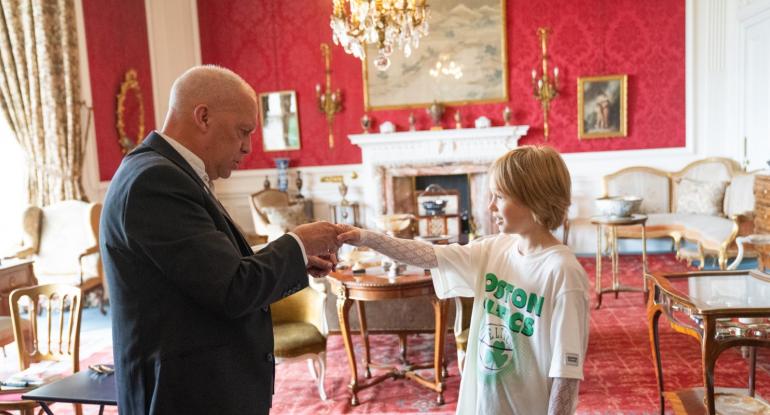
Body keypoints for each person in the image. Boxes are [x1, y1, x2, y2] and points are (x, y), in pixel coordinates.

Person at [100, 65, 342, 414]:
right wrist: (298, 241)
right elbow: (231, 288)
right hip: (184, 395)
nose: (248, 147)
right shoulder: (155, 181)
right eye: (243, 131)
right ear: (203, 117)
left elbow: (206, 267)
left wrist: (295, 258)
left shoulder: (168, 172)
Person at [337, 146, 590, 414]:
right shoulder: (495, 248)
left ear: (533, 199)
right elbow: (429, 255)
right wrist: (365, 237)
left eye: (500, 196)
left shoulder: (563, 272)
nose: (490, 205)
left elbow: (566, 374)